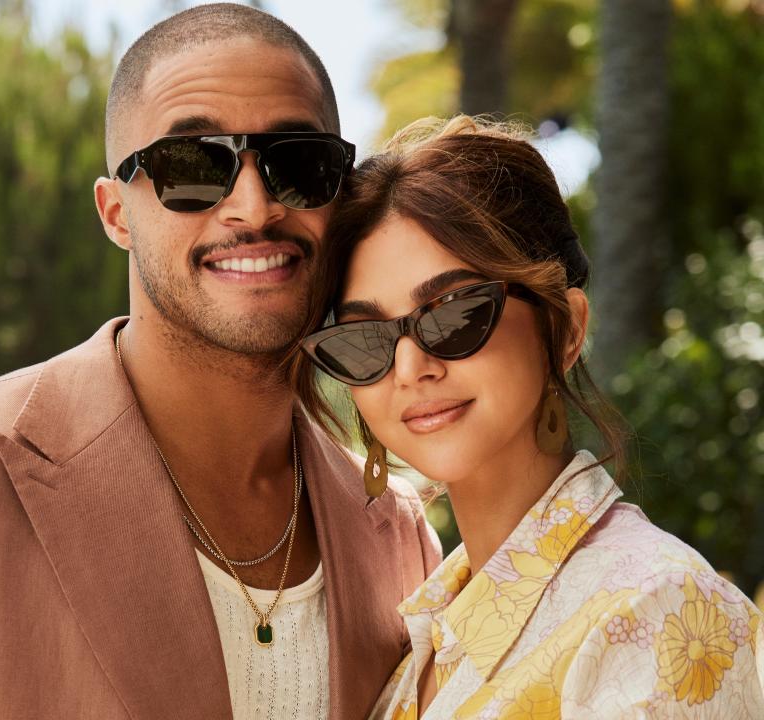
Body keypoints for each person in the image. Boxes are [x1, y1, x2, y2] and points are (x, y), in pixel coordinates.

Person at [0, 5, 441, 719]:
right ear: (114, 214)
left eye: (299, 163)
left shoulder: (393, 530)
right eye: (192, 167)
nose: (254, 206)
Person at [296, 115, 764, 718]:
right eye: (365, 338)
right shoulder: (422, 641)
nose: (411, 367)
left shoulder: (656, 611)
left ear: (564, 328)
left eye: (455, 314)